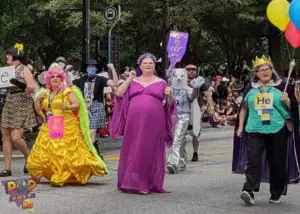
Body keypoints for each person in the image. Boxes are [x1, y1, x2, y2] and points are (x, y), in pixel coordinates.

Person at [233, 55, 300, 205]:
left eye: (267, 68)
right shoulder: (250, 87)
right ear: (256, 73)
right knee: (253, 160)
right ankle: (248, 190)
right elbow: (244, 108)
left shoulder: (283, 85)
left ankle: (276, 193)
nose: (264, 71)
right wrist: (240, 126)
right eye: (260, 70)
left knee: (277, 162)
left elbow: (294, 107)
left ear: (272, 70)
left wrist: (287, 100)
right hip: (256, 128)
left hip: (278, 128)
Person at [26, 67, 108, 186]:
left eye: (57, 76)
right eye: (52, 77)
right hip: (50, 124)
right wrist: (38, 101)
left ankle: (62, 174)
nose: (55, 79)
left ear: (61, 79)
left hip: (66, 123)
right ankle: (53, 172)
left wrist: (68, 107)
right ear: (49, 79)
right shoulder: (45, 93)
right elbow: (39, 110)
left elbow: (77, 105)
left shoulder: (67, 92)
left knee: (61, 149)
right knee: (48, 151)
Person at [110, 53, 176, 194]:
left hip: (155, 121)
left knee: (149, 149)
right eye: (145, 63)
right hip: (134, 121)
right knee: (134, 147)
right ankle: (132, 182)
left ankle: (146, 183)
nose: (148, 65)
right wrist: (129, 78)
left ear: (154, 66)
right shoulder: (133, 81)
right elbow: (119, 94)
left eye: (150, 63)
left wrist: (170, 95)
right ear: (140, 66)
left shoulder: (162, 82)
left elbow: (170, 105)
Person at [0, 43, 37, 177]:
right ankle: (7, 167)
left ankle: (29, 158)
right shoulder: (5, 70)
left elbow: (32, 88)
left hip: (22, 102)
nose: (7, 57)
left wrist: (18, 82)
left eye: (9, 54)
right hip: (9, 101)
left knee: (16, 137)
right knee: (5, 136)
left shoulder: (24, 69)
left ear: (15, 55)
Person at [73, 60, 118, 156]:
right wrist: (65, 71)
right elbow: (69, 85)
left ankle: (87, 152)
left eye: (93, 66)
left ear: (96, 68)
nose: (91, 68)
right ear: (86, 68)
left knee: (92, 131)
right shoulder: (81, 80)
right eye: (89, 66)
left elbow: (115, 83)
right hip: (84, 108)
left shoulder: (101, 79)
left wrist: (112, 69)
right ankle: (93, 154)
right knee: (90, 133)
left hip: (97, 106)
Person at [185, 64, 214, 162]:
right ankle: (181, 153)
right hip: (182, 110)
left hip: (196, 109)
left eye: (193, 70)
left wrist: (211, 107)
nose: (191, 71)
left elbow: (207, 95)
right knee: (180, 132)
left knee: (196, 133)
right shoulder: (180, 81)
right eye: (189, 70)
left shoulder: (200, 82)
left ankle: (195, 152)